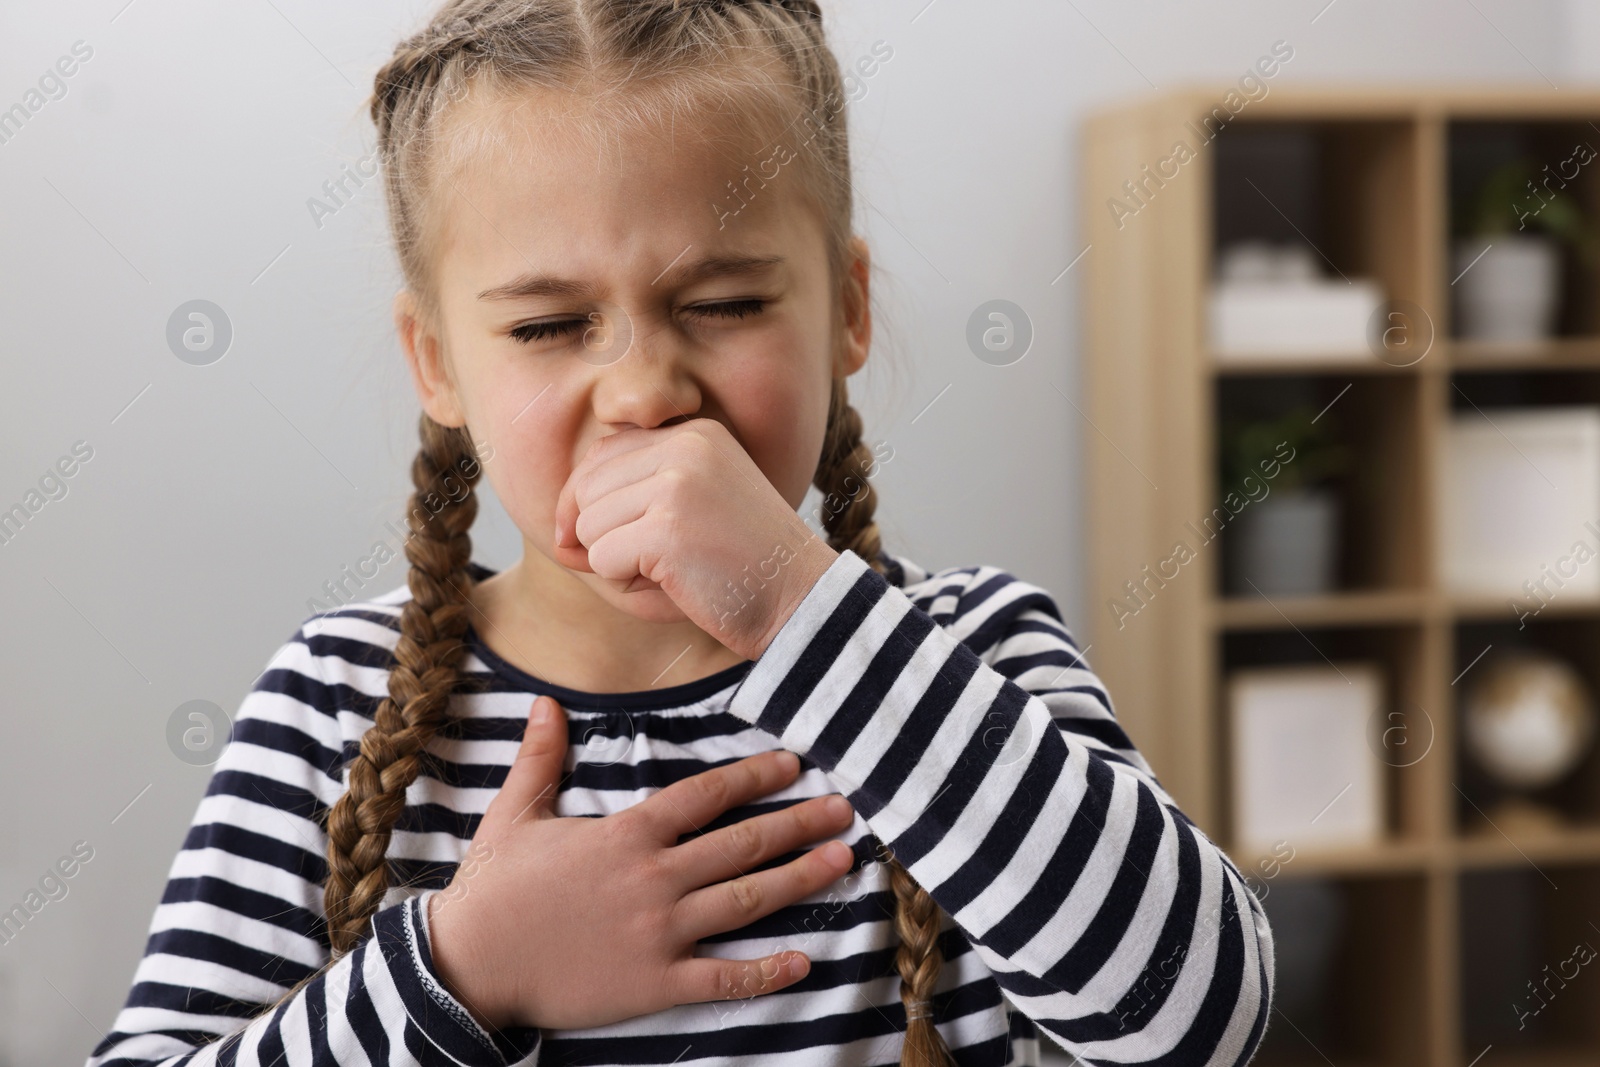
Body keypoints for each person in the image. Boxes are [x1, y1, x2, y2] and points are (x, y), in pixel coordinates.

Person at [85, 1, 1273, 1064]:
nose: (645, 389)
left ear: (847, 309)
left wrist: (797, 607)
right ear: (436, 362)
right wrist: (460, 966)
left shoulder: (966, 646)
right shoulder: (333, 703)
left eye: (725, 304)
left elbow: (1199, 1016)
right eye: (550, 325)